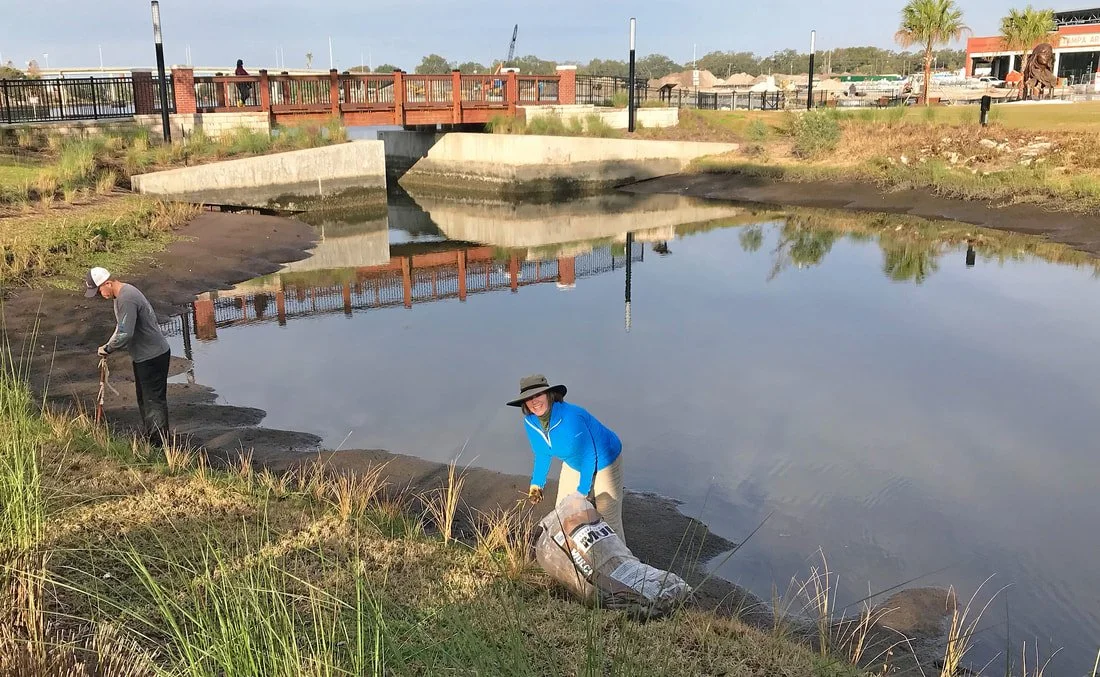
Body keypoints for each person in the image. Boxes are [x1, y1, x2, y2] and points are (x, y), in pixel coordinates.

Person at [507, 374, 627, 544]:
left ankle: (620, 562)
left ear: (549, 394)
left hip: (605, 458)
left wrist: (582, 491)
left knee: (607, 515)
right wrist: (537, 484)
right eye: (529, 398)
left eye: (538, 395)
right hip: (574, 460)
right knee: (564, 511)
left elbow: (588, 455)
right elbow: (542, 453)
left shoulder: (571, 417)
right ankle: (573, 556)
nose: (535, 402)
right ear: (524, 403)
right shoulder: (531, 422)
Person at [84, 267, 172, 447]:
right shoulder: (121, 296)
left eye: (100, 290)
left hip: (152, 357)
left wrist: (109, 349)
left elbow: (125, 333)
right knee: (144, 399)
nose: (100, 295)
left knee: (152, 401)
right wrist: (107, 345)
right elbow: (121, 326)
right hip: (144, 356)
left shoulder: (126, 298)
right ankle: (153, 439)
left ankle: (159, 444)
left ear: (107, 283)